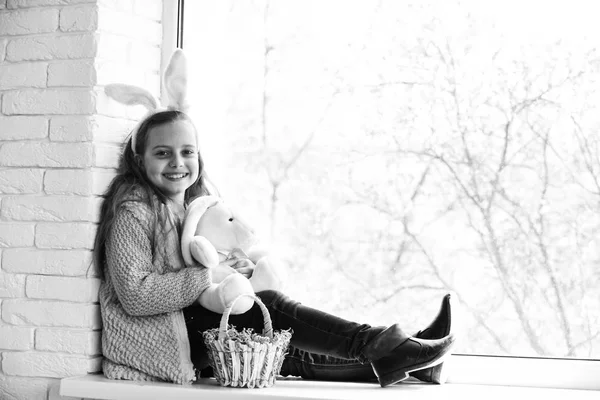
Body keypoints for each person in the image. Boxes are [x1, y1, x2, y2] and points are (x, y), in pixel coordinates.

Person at [94, 109, 456, 388]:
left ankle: (411, 357)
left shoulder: (190, 207)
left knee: (284, 348)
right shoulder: (134, 212)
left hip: (188, 326)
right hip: (160, 342)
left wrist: (235, 270)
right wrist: (209, 275)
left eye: (187, 151)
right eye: (163, 153)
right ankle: (379, 343)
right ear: (140, 160)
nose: (177, 163)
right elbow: (136, 295)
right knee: (272, 309)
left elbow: (205, 265)